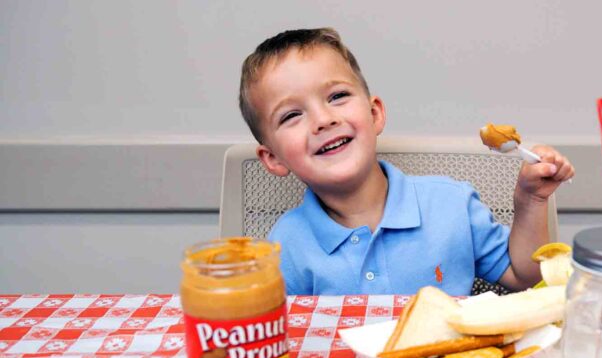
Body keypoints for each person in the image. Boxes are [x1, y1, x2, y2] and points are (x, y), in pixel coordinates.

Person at [238, 28, 575, 296]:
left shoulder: (451, 204)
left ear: (374, 114)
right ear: (273, 158)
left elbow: (526, 277)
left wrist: (531, 200)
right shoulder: (285, 245)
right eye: (293, 115)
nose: (323, 120)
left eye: (337, 96)